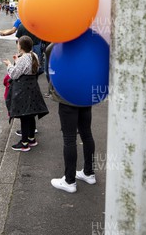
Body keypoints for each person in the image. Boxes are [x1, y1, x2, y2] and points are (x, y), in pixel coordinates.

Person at [46, 43, 96, 193]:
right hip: (85, 92)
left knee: (69, 138)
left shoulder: (61, 43)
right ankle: (89, 172)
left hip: (67, 94)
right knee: (86, 134)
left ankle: (69, 181)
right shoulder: (89, 44)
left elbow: (48, 50)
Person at [3, 36, 48, 152]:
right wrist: (17, 60)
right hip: (33, 87)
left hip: (24, 89)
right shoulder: (34, 55)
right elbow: (29, 68)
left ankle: (24, 143)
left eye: (18, 44)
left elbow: (14, 74)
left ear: (21, 46)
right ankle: (32, 139)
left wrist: (9, 65)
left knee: (24, 115)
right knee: (31, 114)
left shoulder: (23, 59)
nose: (17, 45)